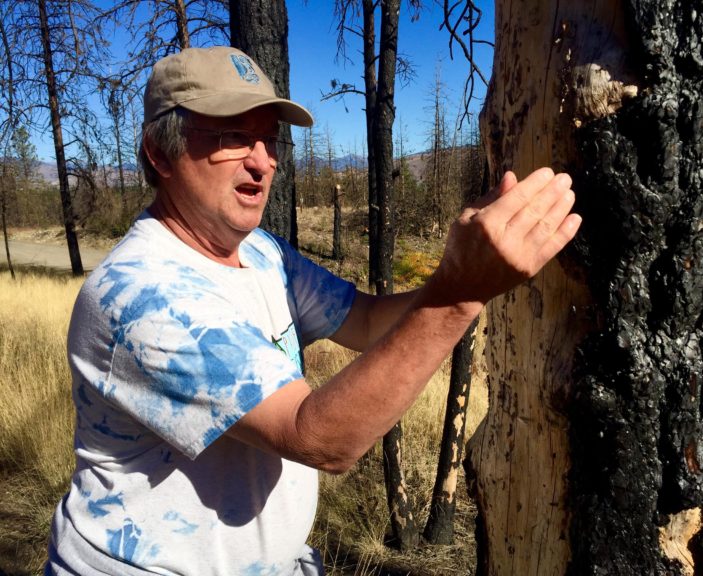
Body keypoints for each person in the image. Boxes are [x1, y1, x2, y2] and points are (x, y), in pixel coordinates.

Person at [45, 46, 582, 575]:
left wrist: (464, 271)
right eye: (232, 136)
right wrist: (460, 292)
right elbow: (321, 438)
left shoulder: (261, 252)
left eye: (269, 138)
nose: (261, 160)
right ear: (160, 154)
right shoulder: (140, 294)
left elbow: (368, 321)